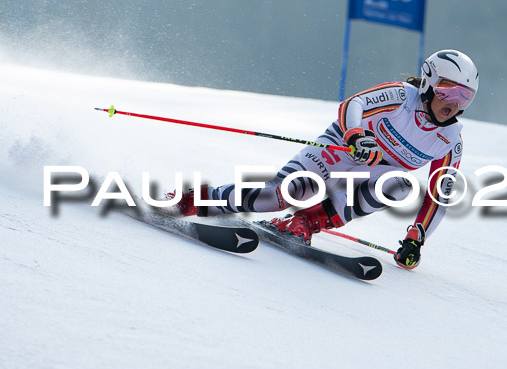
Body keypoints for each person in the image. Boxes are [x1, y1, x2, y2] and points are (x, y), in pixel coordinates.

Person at [169, 49, 479, 270]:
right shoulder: (401, 96)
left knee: (400, 184)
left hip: (365, 178)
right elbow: (352, 104)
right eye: (448, 91)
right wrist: (357, 135)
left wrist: (416, 236)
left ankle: (305, 222)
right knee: (280, 196)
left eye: (464, 98)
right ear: (428, 81)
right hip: (340, 150)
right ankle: (193, 200)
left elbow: (440, 195)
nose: (453, 104)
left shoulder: (451, 142)